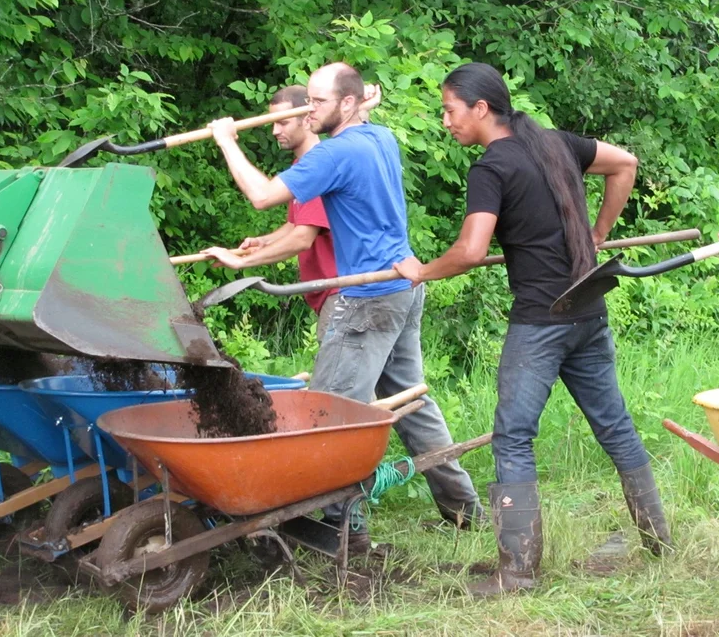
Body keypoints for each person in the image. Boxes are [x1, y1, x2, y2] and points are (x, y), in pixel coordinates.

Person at [394, 62, 671, 597]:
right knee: (613, 424)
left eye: (450, 110)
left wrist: (420, 271)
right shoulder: (553, 143)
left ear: (480, 109)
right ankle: (658, 541)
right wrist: (597, 235)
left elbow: (472, 251)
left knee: (513, 435)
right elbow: (625, 164)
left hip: (542, 320)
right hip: (588, 308)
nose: (445, 121)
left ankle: (517, 573)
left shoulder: (492, 168)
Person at [207, 62, 483, 548]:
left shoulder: (332, 154)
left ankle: (339, 525)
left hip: (364, 301)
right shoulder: (380, 138)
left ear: (348, 103)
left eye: (316, 102)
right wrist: (356, 106)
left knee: (330, 415)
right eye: (306, 100)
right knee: (412, 403)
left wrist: (226, 139)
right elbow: (349, 128)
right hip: (402, 287)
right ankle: (465, 510)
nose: (307, 110)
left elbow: (261, 195)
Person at [203, 84, 342, 342]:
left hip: (344, 295)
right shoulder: (304, 165)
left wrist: (225, 142)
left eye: (283, 122)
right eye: (274, 123)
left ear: (307, 119)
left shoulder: (319, 165)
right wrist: (266, 241)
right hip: (340, 294)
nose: (275, 131)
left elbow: (301, 237)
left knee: (334, 384)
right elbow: (296, 225)